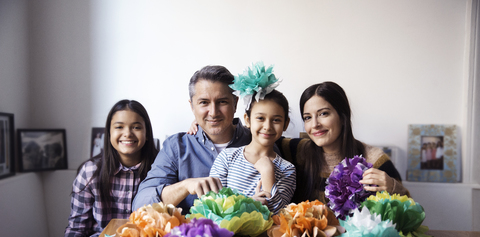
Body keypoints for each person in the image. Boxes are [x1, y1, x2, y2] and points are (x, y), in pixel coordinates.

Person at [39, 99, 158, 237]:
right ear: (109, 133)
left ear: (146, 133)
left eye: (136, 127)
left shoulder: (160, 169)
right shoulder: (91, 171)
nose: (127, 133)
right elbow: (76, 228)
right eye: (119, 127)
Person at [132, 65, 251, 212]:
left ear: (235, 103)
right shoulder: (176, 147)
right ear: (192, 106)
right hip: (189, 235)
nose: (213, 112)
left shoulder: (258, 141)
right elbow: (140, 206)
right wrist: (184, 186)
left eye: (222, 102)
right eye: (204, 102)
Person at [276, 81, 409, 204]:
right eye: (307, 117)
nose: (315, 124)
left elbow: (409, 212)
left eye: (323, 114)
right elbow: (263, 136)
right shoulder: (297, 151)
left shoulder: (374, 160)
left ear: (342, 116)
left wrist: (393, 187)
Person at [209, 64, 296, 214]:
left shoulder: (287, 169)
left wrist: (268, 172)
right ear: (247, 120)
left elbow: (279, 215)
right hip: (229, 235)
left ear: (285, 124)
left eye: (276, 120)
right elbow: (212, 205)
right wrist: (248, 204)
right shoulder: (228, 157)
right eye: (260, 118)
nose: (267, 126)